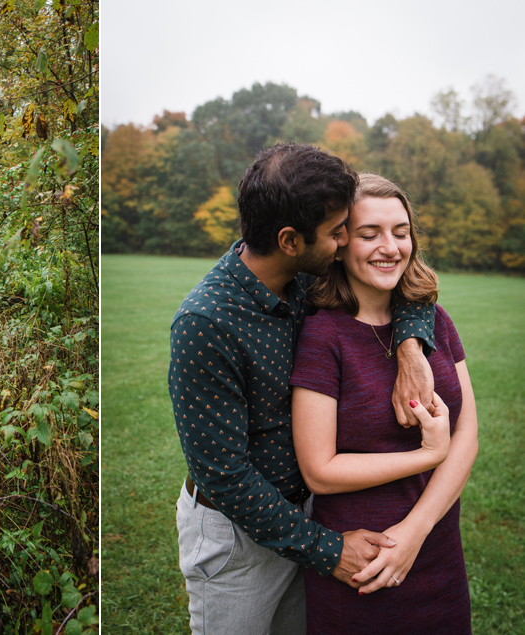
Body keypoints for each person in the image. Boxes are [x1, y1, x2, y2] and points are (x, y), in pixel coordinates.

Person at [169, 143, 437, 635]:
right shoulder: (205, 324)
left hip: (308, 515)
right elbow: (224, 475)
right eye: (338, 232)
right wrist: (329, 551)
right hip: (236, 540)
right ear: (291, 239)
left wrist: (410, 345)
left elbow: (400, 281)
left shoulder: (306, 280)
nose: (344, 243)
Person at [289, 174, 478, 634]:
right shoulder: (323, 335)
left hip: (437, 552)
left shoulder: (434, 321)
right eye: (369, 234)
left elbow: (467, 433)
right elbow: (319, 470)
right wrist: (427, 455)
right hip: (363, 563)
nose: (390, 247)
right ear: (339, 243)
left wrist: (416, 532)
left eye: (401, 231)